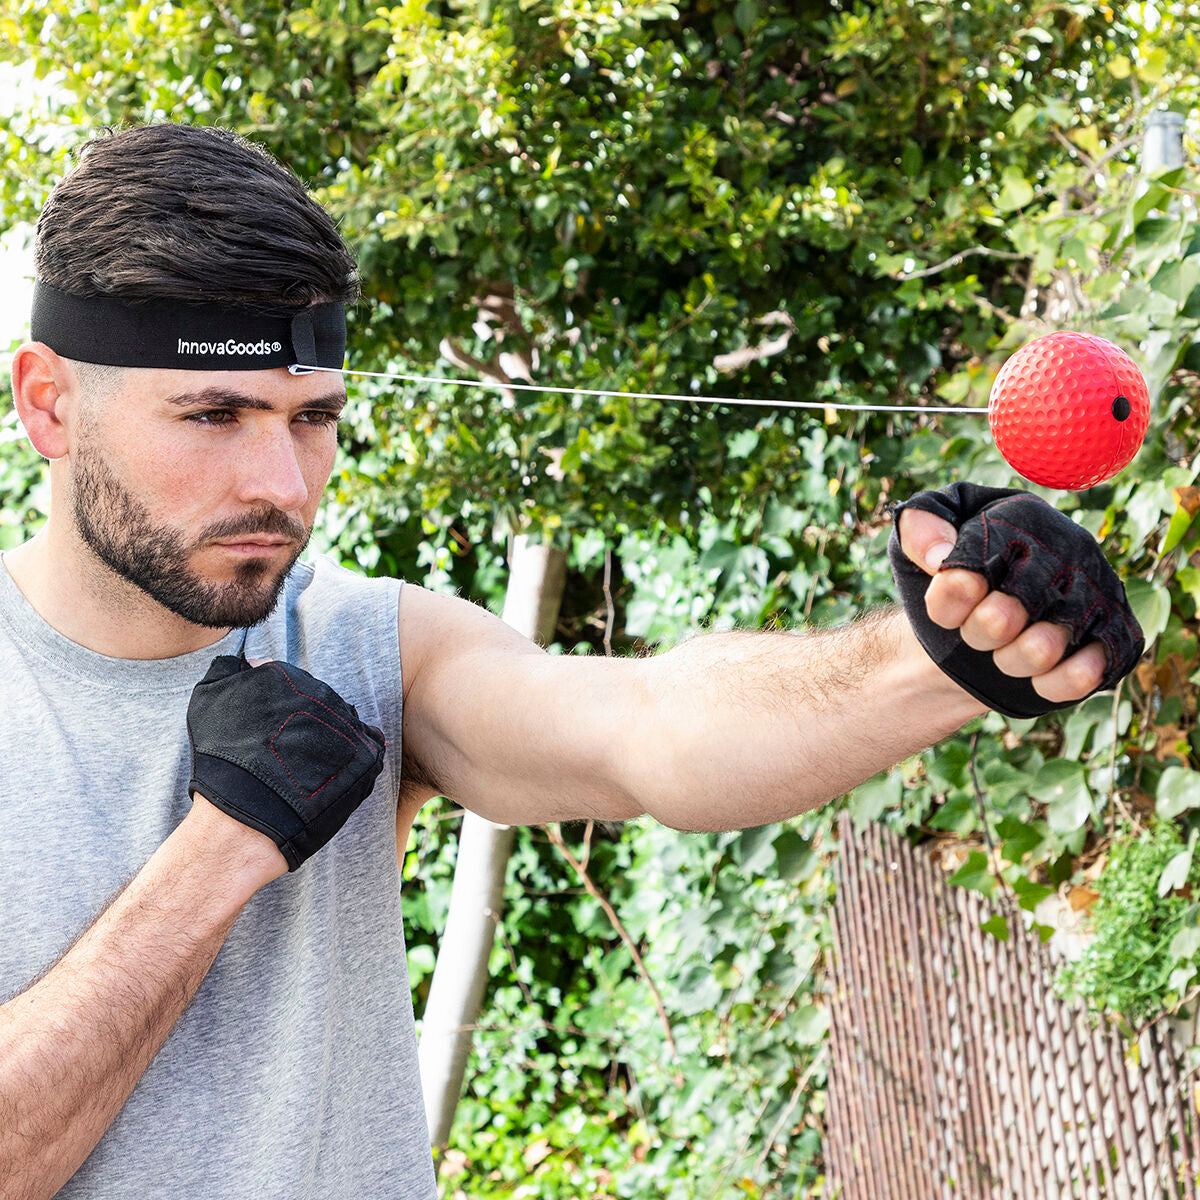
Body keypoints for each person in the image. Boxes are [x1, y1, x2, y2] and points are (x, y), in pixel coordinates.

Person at [0, 122, 1139, 1199]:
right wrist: (221, 851)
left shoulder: (357, 644)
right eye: (213, 416)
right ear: (49, 404)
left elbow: (647, 730)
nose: (285, 487)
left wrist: (934, 654)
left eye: (313, 419)